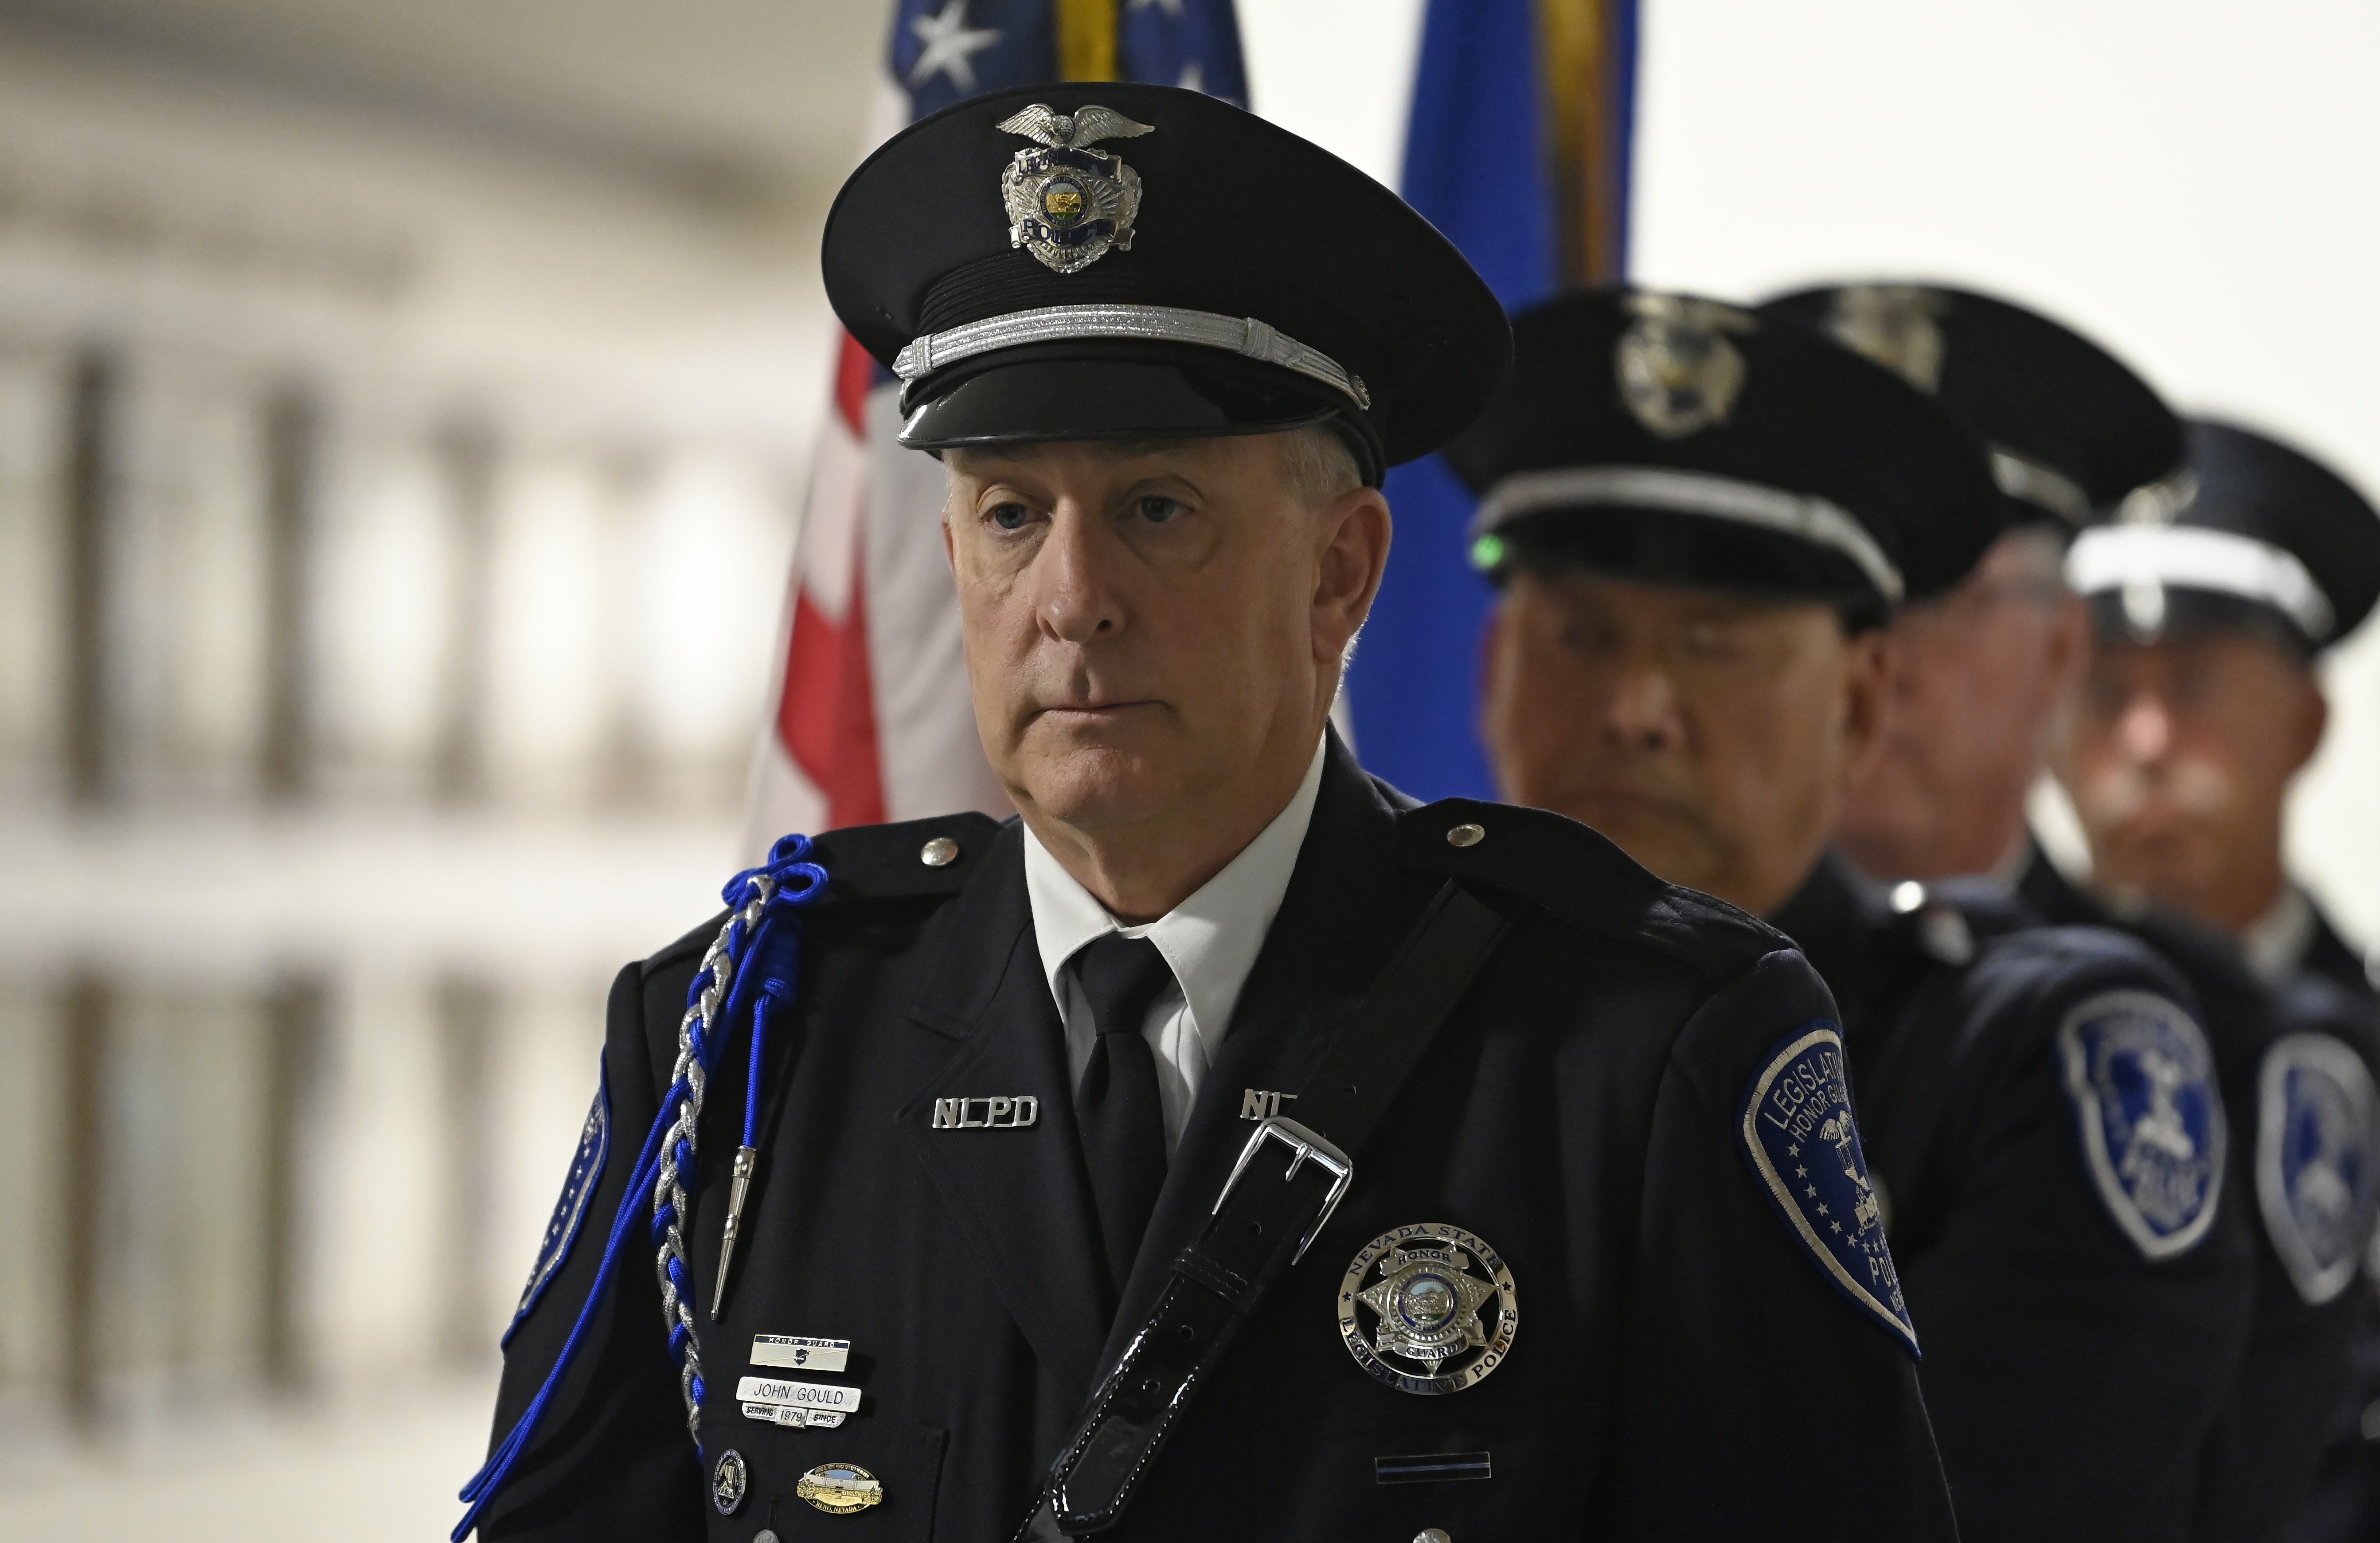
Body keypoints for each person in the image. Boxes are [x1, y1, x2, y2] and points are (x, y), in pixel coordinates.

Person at [461, 88, 1957, 1542]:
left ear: (1340, 577)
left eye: (1157, 509)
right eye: (1010, 515)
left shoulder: (1636, 1050)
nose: (1072, 599)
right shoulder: (747, 1042)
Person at [1457, 283, 2255, 1543]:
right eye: (1581, 635)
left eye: (1716, 641)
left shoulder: (2016, 1057)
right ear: (1494, 669)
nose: (1636, 710)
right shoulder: (1346, 1024)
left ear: (1859, 702)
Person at [2045, 419, 2380, 1540]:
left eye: (2192, 686)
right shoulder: (1961, 1040)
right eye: (2102, 691)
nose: (2143, 740)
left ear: (2307, 723)